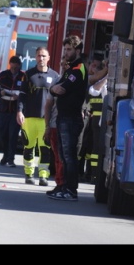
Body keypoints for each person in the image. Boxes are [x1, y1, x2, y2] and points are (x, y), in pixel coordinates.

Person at [48, 35, 88, 201]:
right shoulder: (70, 69)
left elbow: (63, 88)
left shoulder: (79, 69)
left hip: (71, 119)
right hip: (63, 117)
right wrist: (53, 89)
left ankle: (71, 190)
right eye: (65, 49)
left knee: (70, 156)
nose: (66, 52)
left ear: (78, 50)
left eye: (69, 49)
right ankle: (64, 187)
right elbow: (53, 89)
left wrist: (55, 88)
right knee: (64, 156)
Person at [16, 47, 60, 186]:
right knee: (28, 147)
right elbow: (22, 95)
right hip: (29, 117)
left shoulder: (55, 76)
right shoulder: (28, 74)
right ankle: (29, 174)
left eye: (43, 56)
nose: (41, 58)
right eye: (39, 56)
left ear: (48, 58)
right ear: (35, 57)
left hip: (45, 119)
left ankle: (43, 176)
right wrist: (19, 111)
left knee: (45, 148)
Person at [79, 53, 108, 184]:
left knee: (95, 148)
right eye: (93, 65)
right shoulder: (92, 80)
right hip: (91, 118)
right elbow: (93, 92)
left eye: (97, 66)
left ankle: (93, 174)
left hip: (99, 119)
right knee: (85, 147)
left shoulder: (105, 80)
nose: (94, 68)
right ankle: (87, 173)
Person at [0, 55, 25, 168]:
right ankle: (5, 154)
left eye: (16, 68)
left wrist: (19, 97)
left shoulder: (23, 76)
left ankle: (11, 159)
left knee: (13, 135)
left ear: (19, 66)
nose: (14, 70)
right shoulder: (3, 75)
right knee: (3, 133)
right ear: (10, 65)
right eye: (12, 67)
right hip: (4, 109)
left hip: (16, 111)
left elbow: (25, 92)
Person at [44, 56, 68, 197]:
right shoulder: (56, 81)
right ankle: (59, 184)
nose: (64, 66)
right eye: (62, 64)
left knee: (66, 157)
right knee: (58, 157)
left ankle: (65, 185)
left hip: (68, 124)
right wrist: (47, 126)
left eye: (67, 64)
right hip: (54, 125)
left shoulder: (76, 81)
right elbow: (48, 105)